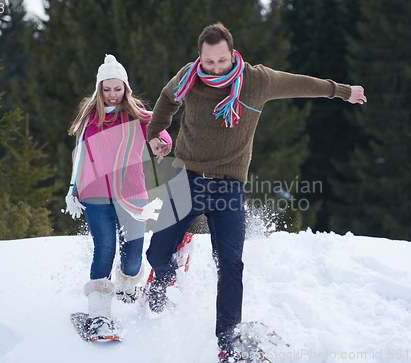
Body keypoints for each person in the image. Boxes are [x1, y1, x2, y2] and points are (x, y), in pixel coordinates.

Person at [145, 23, 367, 362]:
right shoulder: (188, 77)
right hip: (186, 179)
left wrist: (341, 90)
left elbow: (301, 84)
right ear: (199, 57)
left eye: (221, 61)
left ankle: (228, 343)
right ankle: (166, 274)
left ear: (232, 54)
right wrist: (156, 133)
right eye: (208, 62)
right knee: (156, 254)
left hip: (228, 186)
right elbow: (165, 101)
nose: (215, 68)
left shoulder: (256, 81)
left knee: (231, 265)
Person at [64, 54, 171, 335]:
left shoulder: (138, 115)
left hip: (132, 191)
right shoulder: (90, 119)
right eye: (107, 89)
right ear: (99, 89)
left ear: (126, 88)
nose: (112, 95)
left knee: (133, 253)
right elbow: (80, 158)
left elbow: (159, 130)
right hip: (95, 192)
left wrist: (161, 144)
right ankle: (99, 314)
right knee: (105, 248)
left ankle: (127, 285)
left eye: (117, 89)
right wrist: (74, 189)